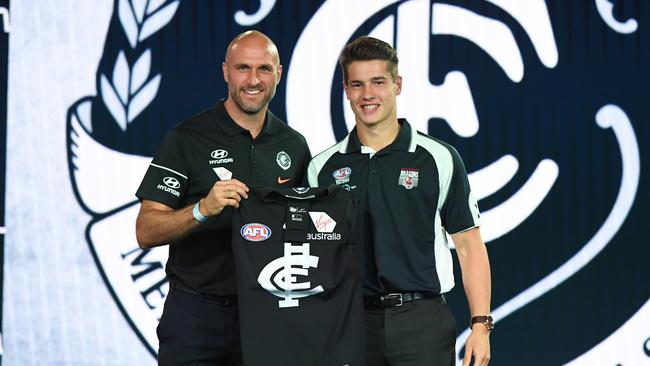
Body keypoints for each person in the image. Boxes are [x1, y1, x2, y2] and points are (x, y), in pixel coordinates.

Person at [308, 36, 492, 366]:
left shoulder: (439, 158)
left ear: (398, 84)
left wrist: (480, 326)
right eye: (357, 84)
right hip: (350, 322)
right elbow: (312, 256)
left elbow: (469, 246)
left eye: (378, 82)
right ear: (346, 90)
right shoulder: (323, 169)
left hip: (421, 322)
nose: (368, 95)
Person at [135, 30, 311, 365]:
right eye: (243, 68)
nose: (253, 80)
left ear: (279, 74)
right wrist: (202, 209)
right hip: (196, 315)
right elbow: (146, 230)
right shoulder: (186, 138)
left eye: (264, 69)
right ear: (225, 72)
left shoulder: (294, 145)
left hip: (267, 314)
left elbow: (305, 230)